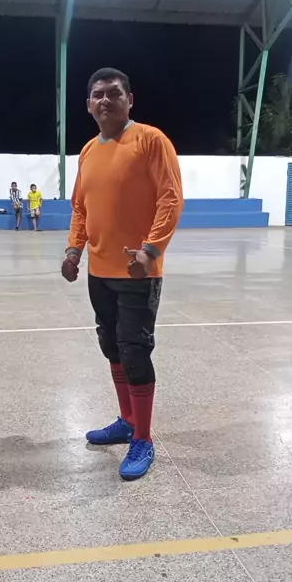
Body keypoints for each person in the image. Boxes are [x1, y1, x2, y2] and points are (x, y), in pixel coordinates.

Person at [61, 67, 183, 481]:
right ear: (88, 105)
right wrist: (74, 250)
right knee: (112, 346)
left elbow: (171, 198)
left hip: (138, 273)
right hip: (100, 272)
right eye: (98, 94)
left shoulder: (151, 141)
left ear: (130, 100)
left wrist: (150, 250)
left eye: (114, 93)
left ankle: (143, 438)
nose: (106, 100)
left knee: (134, 351)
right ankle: (127, 420)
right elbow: (81, 207)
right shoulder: (87, 152)